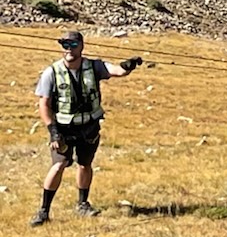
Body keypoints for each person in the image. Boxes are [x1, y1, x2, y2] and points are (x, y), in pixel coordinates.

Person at [32, 30, 143, 226]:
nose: (69, 49)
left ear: (82, 47)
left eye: (73, 45)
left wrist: (128, 66)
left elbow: (116, 70)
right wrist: (53, 131)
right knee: (58, 165)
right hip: (64, 130)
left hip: (89, 128)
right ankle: (44, 210)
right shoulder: (52, 72)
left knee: (85, 164)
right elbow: (44, 104)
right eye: (65, 45)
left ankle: (83, 204)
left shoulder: (94, 66)